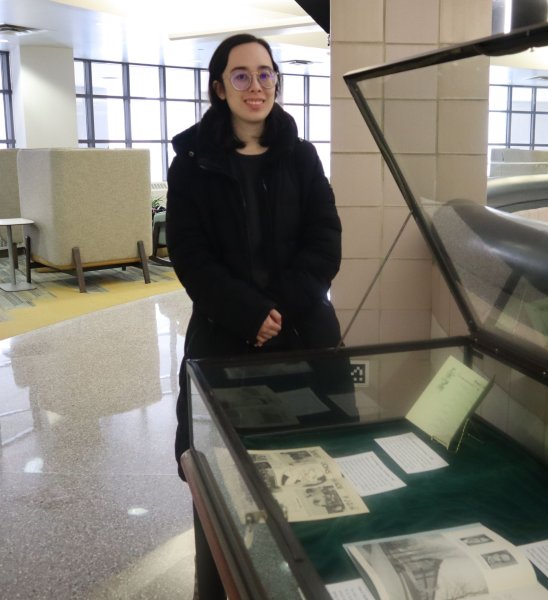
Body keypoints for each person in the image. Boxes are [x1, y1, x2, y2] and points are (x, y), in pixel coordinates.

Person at [165, 33, 344, 599]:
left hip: (303, 335)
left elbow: (325, 241)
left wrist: (278, 309)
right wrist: (248, 313)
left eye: (265, 73)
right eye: (240, 75)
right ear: (219, 88)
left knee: (310, 482)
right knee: (221, 489)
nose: (256, 86)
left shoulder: (301, 155)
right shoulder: (191, 163)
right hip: (223, 340)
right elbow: (190, 255)